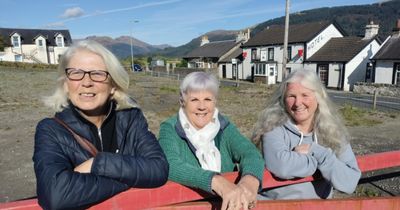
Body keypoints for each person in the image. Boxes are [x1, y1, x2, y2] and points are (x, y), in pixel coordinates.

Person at [33, 40, 168, 210]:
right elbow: (56, 195)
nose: (86, 82)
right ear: (66, 84)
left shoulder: (131, 119)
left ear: (113, 85)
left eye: (97, 74)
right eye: (76, 73)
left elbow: (159, 169)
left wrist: (98, 164)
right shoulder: (50, 130)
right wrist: (131, 177)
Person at [158, 71, 265, 210]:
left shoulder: (223, 126)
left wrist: (249, 182)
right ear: (182, 101)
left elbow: (250, 153)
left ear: (215, 101)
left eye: (208, 99)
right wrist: (217, 181)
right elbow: (169, 164)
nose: (202, 106)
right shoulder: (170, 128)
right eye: (194, 99)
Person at [252, 70, 361, 199]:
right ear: (283, 99)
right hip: (277, 205)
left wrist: (317, 152)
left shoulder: (333, 132)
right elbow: (281, 166)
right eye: (291, 96)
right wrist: (325, 165)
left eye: (305, 95)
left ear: (318, 98)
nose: (298, 103)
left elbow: (350, 182)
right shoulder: (272, 127)